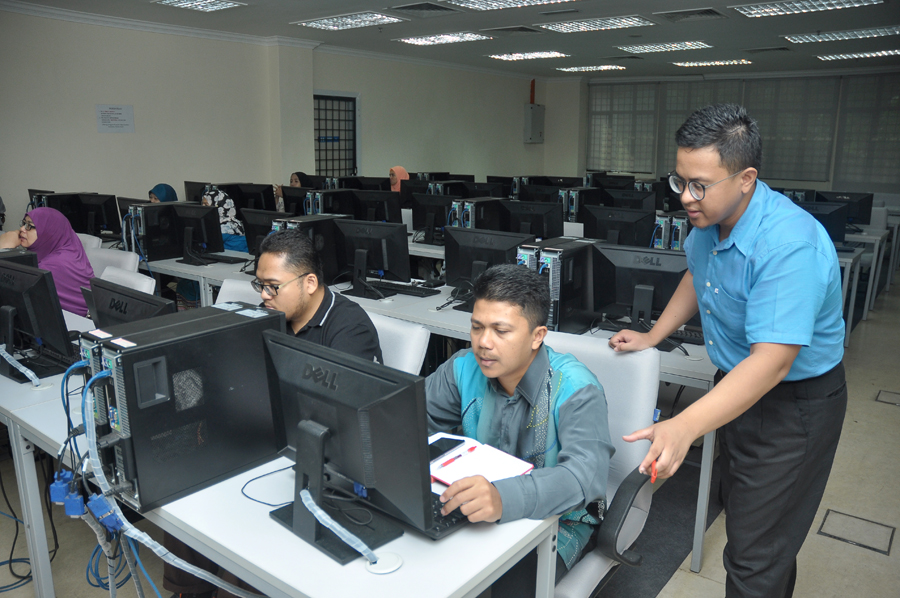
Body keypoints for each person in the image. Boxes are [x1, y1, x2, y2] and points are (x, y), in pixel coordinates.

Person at [609, 104, 847, 598]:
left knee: (754, 555)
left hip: (794, 406)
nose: (685, 197)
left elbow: (773, 362)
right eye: (679, 181)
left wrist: (685, 424)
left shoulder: (789, 244)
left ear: (746, 179)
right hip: (736, 387)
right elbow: (699, 276)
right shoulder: (707, 221)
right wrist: (654, 335)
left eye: (699, 185)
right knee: (759, 529)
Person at [162, 228, 382, 598]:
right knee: (182, 501)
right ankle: (189, 590)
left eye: (273, 287)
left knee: (243, 554)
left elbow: (341, 420)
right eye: (260, 285)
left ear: (309, 282)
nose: (264, 296)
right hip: (264, 438)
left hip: (320, 462)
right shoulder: (268, 315)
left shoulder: (349, 330)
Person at [426, 264, 613, 598]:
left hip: (558, 522)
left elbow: (582, 478)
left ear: (537, 336)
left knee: (496, 591)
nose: (483, 343)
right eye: (476, 327)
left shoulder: (576, 388)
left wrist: (503, 498)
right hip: (477, 506)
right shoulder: (463, 367)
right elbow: (412, 420)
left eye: (501, 331)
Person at [0, 208, 94, 316]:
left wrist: (4, 249)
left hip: (73, 322)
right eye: (24, 223)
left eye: (29, 226)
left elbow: (11, 291)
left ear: (49, 231)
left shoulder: (54, 264)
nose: (22, 229)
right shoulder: (66, 249)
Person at [201, 187, 247, 253]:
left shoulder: (228, 228)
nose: (203, 208)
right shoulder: (211, 225)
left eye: (206, 204)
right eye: (202, 204)